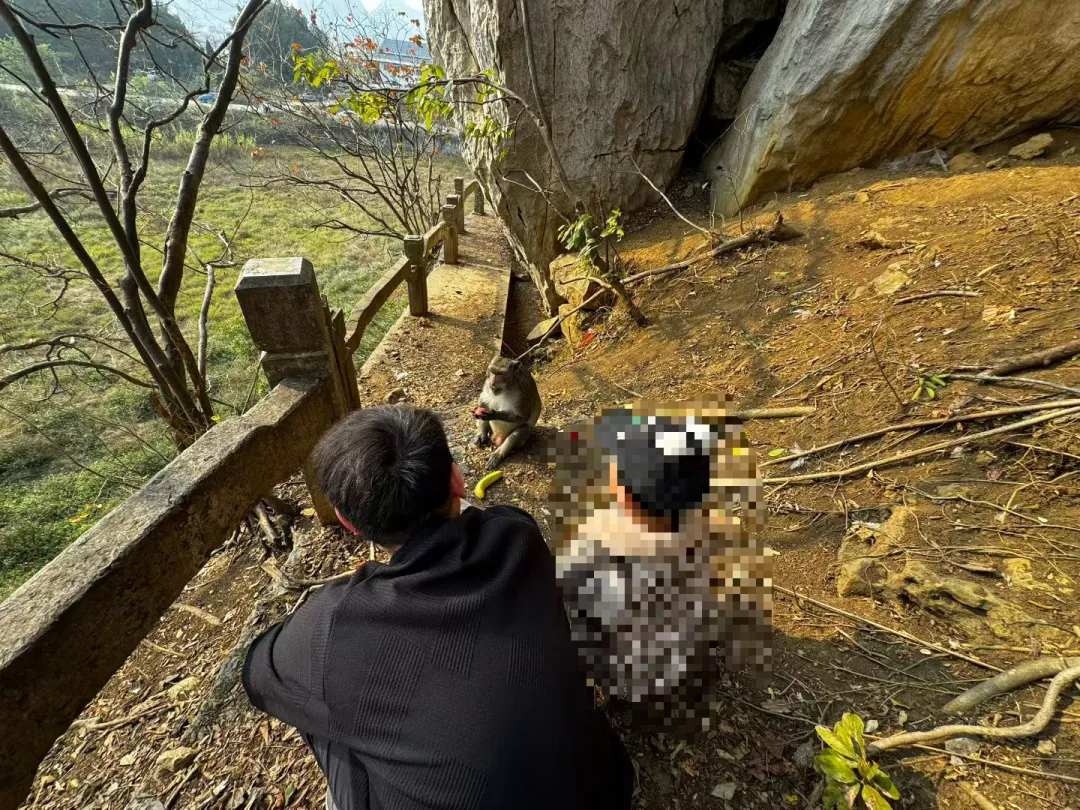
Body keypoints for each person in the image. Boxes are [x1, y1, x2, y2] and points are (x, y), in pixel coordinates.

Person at [242, 405, 632, 810]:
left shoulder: (332, 625)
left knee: (320, 710)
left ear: (348, 522)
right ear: (458, 480)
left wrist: (346, 598)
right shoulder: (518, 533)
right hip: (607, 787)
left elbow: (257, 673)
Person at [554, 405, 771, 735]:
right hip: (684, 643)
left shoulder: (595, 548)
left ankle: (623, 697)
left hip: (637, 668)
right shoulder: (701, 523)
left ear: (625, 494)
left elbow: (582, 611)